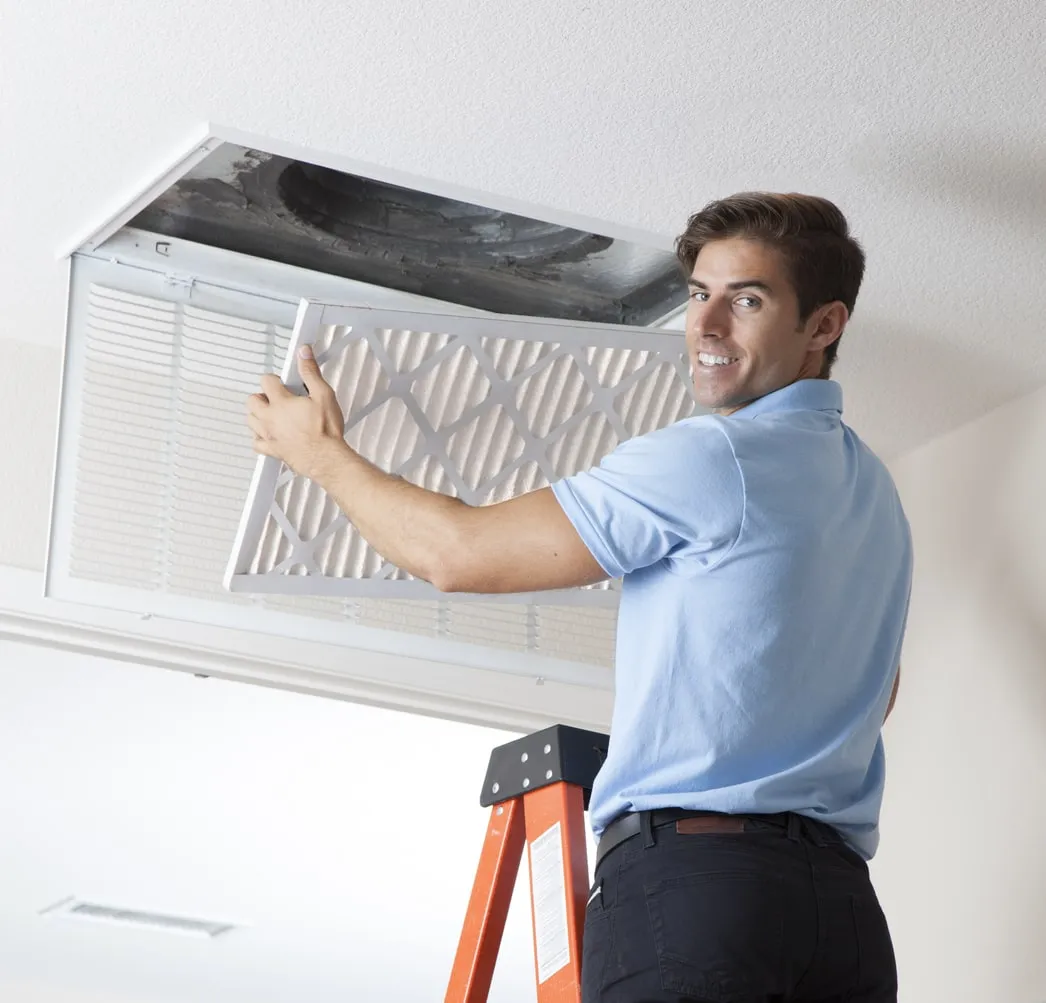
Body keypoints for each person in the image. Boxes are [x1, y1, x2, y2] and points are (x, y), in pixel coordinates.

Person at [246, 191, 912, 1002]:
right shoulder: (875, 497)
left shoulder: (713, 459)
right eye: (699, 294)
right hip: (844, 922)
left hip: (706, 893)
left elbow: (458, 555)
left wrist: (318, 456)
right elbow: (877, 693)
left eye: (746, 300)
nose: (703, 328)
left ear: (824, 324)